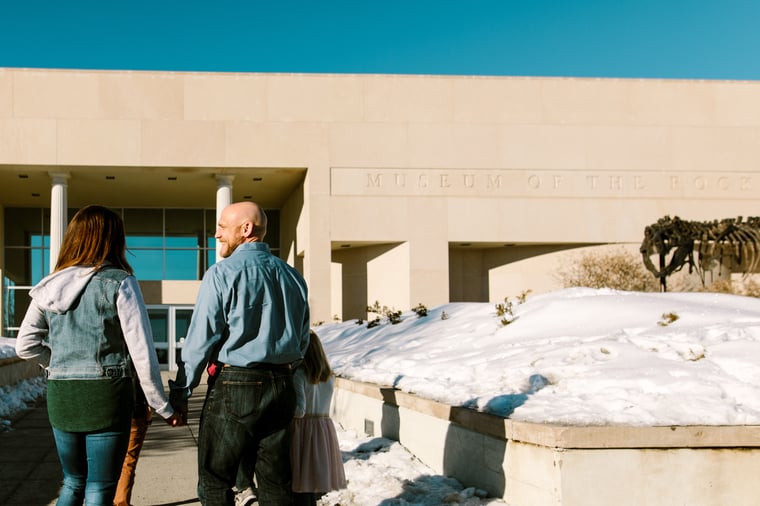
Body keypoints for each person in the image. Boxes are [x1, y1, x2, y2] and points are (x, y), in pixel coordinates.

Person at [15, 204, 182, 506]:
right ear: (112, 239)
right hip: (106, 396)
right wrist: (162, 406)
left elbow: (24, 345)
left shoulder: (48, 286)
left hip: (61, 395)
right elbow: (142, 353)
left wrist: (57, 362)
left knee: (73, 482)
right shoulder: (119, 282)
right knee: (100, 487)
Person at [170, 201, 311, 506]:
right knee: (276, 483)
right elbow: (302, 341)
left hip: (236, 384)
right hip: (282, 384)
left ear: (245, 229)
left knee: (215, 480)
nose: (216, 235)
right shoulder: (293, 277)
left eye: (222, 227)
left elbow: (199, 341)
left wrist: (182, 389)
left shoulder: (221, 275)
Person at [290, 330, 346, 506]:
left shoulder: (299, 375)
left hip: (302, 431)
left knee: (300, 480)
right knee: (314, 479)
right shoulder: (329, 377)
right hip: (323, 430)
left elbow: (299, 410)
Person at [113, 383, 152, 506]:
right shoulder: (138, 362)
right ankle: (121, 502)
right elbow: (149, 381)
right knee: (128, 459)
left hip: (108, 411)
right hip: (135, 411)